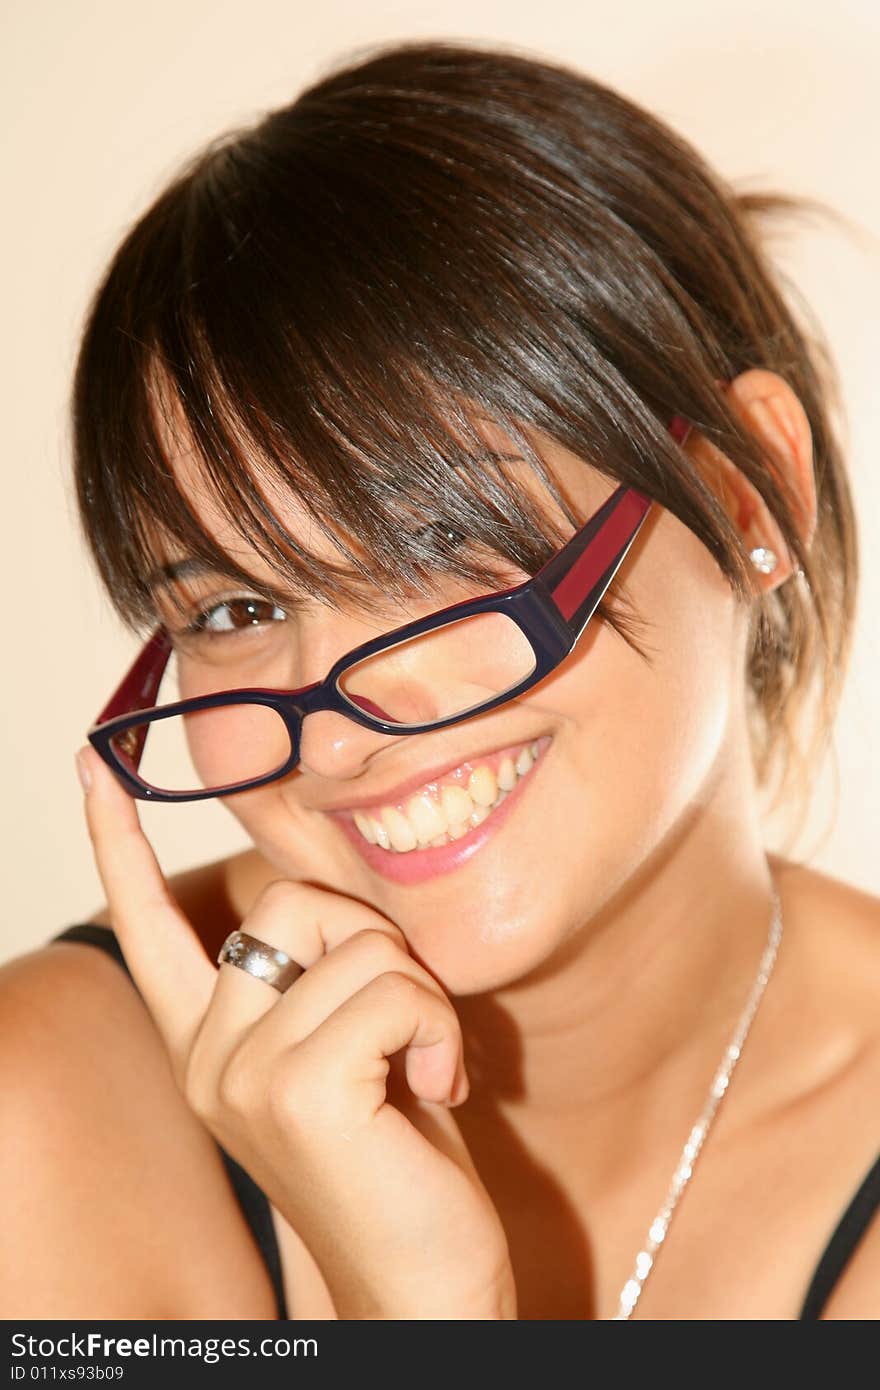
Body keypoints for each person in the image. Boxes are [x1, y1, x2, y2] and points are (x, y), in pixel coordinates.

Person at [2, 37, 878, 1321]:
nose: (343, 726)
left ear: (755, 493)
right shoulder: (47, 1124)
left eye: (436, 544)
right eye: (238, 608)